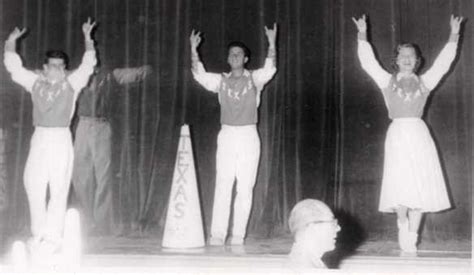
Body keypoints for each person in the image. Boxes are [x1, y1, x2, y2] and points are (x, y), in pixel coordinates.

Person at [352, 14, 463, 254]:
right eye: (402, 56)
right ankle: (402, 225)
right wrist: (362, 34)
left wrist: (454, 35)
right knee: (400, 182)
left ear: (418, 61)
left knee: (420, 183)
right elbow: (368, 63)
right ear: (396, 60)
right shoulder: (386, 81)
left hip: (419, 134)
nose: (406, 59)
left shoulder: (426, 81)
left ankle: (413, 235)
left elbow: (443, 64)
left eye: (411, 56)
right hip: (398, 134)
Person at [3, 18, 97, 254]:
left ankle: (53, 238)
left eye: (61, 66)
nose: (56, 69)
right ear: (44, 68)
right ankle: (39, 234)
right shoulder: (34, 82)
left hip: (60, 139)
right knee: (33, 184)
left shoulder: (72, 84)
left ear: (65, 69)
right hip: (40, 138)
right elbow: (14, 68)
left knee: (58, 187)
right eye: (52, 65)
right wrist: (11, 41)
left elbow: (87, 65)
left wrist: (87, 38)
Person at [190, 24, 277, 246]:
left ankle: (238, 234)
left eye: (239, 54)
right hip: (227, 134)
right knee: (223, 183)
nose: (235, 56)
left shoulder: (255, 79)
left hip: (248, 135)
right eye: (231, 54)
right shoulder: (221, 81)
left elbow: (270, 69)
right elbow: (199, 75)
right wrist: (193, 49)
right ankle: (217, 234)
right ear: (228, 59)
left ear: (246, 59)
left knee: (245, 186)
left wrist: (272, 43)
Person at [72, 56, 152, 236]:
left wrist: (147, 69)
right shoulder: (77, 75)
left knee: (104, 177)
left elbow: (132, 74)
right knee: (80, 176)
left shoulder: (109, 75)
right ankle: (86, 221)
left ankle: (101, 223)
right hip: (83, 125)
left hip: (102, 126)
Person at [288, 199, 340, 269]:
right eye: (333, 223)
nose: (338, 228)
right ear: (312, 227)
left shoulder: (308, 263)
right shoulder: (303, 268)